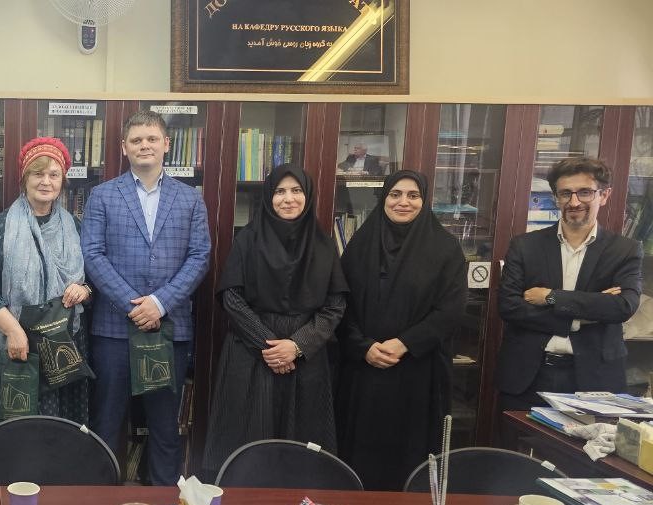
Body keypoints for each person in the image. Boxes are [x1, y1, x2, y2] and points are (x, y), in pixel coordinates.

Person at [81, 111, 209, 485]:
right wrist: (134, 305)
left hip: (169, 329)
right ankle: (101, 494)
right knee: (107, 421)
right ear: (124, 147)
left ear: (166, 144)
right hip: (114, 330)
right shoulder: (102, 196)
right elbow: (92, 254)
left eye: (152, 139)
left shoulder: (190, 199)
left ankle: (165, 494)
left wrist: (160, 303)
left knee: (165, 426)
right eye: (136, 140)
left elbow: (200, 256)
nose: (144, 146)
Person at [201, 165, 347, 476]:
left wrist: (297, 346)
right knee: (247, 442)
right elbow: (232, 298)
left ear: (307, 196)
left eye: (296, 191)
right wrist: (270, 347)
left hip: (305, 357)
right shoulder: (247, 240)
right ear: (268, 197)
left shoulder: (323, 245)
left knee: (303, 450)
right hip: (251, 353)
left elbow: (335, 304)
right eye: (280, 191)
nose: (288, 198)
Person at [335, 171, 468, 490]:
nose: (403, 202)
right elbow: (340, 305)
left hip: (418, 372)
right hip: (364, 371)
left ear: (424, 200)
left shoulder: (445, 248)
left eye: (413, 195)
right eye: (395, 194)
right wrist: (363, 346)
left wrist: (405, 343)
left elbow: (451, 310)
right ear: (384, 199)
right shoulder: (360, 245)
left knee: (411, 459)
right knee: (360, 457)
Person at [498, 156, 642, 411]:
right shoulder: (525, 246)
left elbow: (622, 307)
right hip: (528, 376)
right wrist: (581, 317)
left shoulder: (625, 250)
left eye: (585, 192)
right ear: (556, 198)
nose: (574, 202)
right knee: (515, 438)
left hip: (594, 379)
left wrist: (551, 297)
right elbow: (509, 307)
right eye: (565, 193)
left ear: (604, 195)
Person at [0, 137, 92, 433]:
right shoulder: (0, 228)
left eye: (54, 175)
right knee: (14, 432)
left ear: (62, 181)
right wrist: (14, 331)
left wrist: (84, 290)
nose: (46, 181)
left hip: (63, 349)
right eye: (38, 173)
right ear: (25, 178)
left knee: (59, 433)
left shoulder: (75, 228)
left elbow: (90, 282)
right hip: (15, 345)